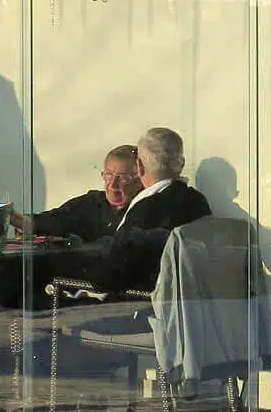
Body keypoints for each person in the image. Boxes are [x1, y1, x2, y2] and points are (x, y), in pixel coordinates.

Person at [89, 126, 212, 294]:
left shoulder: (144, 209)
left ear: (139, 166)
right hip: (191, 301)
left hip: (140, 306)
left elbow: (108, 278)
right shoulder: (199, 201)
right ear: (181, 164)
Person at [14, 144, 142, 241]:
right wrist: (12, 217)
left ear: (140, 180)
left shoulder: (148, 210)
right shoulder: (91, 203)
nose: (113, 185)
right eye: (108, 175)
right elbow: (54, 220)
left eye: (123, 178)